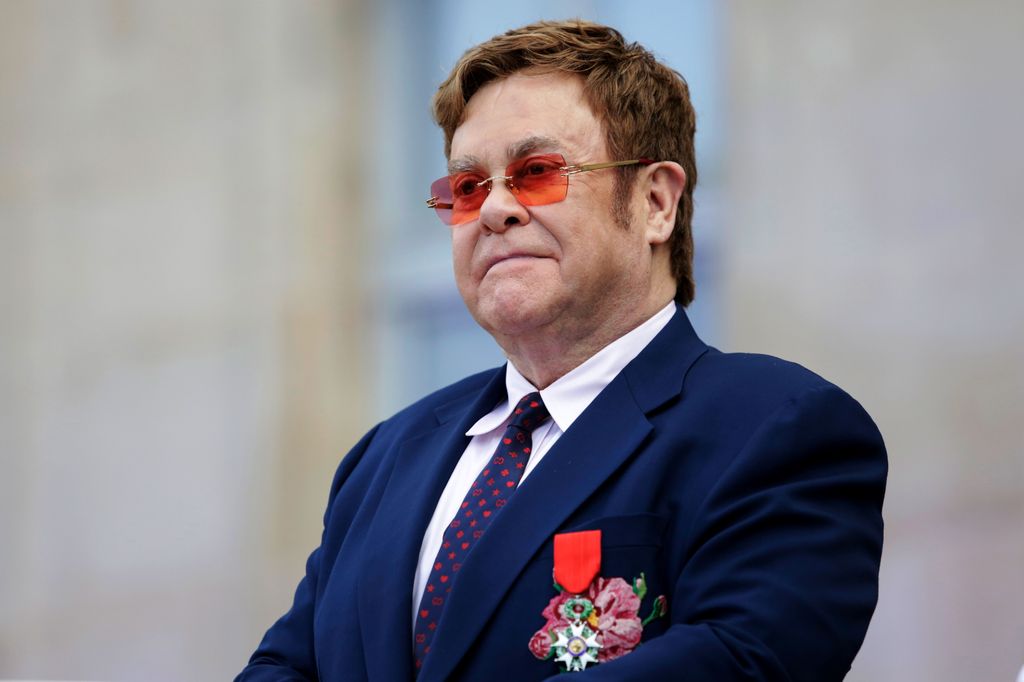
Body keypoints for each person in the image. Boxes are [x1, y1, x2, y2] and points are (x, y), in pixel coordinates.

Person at [236, 19, 886, 682]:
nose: (493, 211)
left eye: (536, 172)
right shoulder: (384, 458)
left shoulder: (774, 426)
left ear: (657, 202)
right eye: (466, 188)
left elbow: (742, 659)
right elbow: (285, 668)